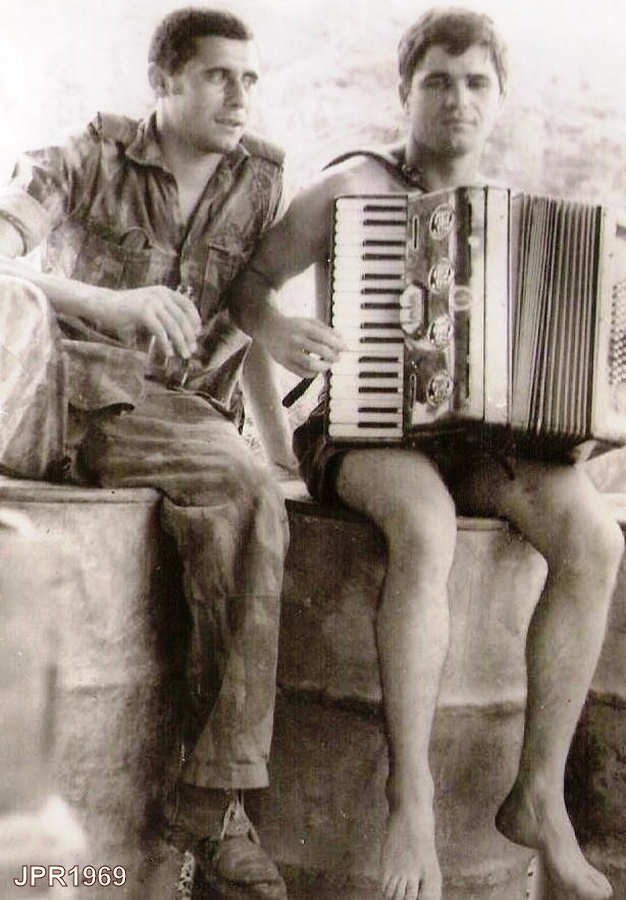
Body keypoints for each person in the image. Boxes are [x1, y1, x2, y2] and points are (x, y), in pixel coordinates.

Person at [230, 8, 622, 900]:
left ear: (500, 98)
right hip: (360, 427)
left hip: (479, 442)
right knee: (426, 523)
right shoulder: (349, 186)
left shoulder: (514, 217)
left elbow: (567, 363)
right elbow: (248, 287)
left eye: (477, 82)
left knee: (596, 539)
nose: (458, 99)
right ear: (404, 91)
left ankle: (539, 797)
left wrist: (590, 416)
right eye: (438, 81)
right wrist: (279, 348)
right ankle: (411, 798)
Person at [0, 8, 293, 900]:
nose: (240, 95)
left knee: (252, 489)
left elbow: (245, 319)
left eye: (250, 78)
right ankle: (216, 810)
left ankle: (211, 804)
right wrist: (109, 304)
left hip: (175, 409)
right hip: (72, 392)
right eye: (217, 76)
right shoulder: (89, 155)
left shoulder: (257, 180)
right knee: (238, 487)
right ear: (163, 82)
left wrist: (282, 444)